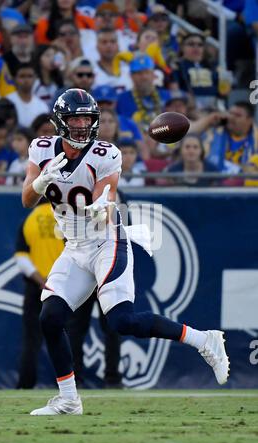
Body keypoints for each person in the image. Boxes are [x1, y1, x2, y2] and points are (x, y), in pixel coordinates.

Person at [22, 88, 230, 416]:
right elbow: (26, 200)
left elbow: (106, 203)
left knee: (122, 321)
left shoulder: (106, 153)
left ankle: (204, 341)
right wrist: (37, 185)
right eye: (74, 118)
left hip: (107, 241)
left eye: (86, 119)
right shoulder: (41, 148)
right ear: (60, 121)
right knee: (49, 318)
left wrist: (98, 207)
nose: (80, 124)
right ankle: (69, 400)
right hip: (74, 248)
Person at [14, 199, 65, 389]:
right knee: (68, 337)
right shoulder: (65, 217)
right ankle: (70, 385)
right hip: (63, 287)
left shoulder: (30, 219)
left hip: (37, 287)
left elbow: (21, 257)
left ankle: (25, 384)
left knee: (31, 338)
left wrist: (40, 280)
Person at [7, 63, 49, 127]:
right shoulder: (7, 102)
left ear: (35, 78)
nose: (26, 80)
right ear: (14, 79)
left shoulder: (42, 106)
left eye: (30, 76)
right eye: (22, 76)